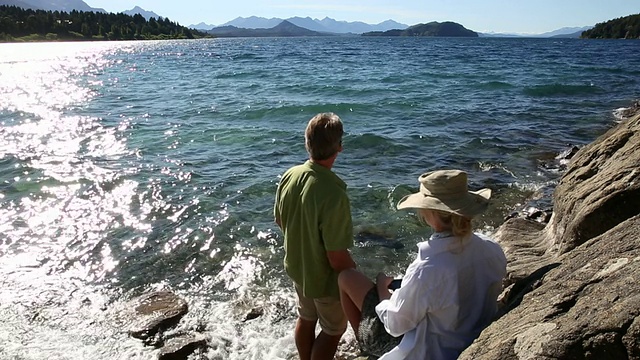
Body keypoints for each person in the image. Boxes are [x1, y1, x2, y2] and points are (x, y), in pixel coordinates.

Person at [338, 169, 507, 360]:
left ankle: (366, 348)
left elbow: (395, 325)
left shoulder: (427, 269)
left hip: (431, 351)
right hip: (469, 338)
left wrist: (382, 291)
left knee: (346, 277)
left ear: (432, 214)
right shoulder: (492, 248)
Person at [274, 112, 357, 360]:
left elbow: (280, 220)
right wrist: (357, 277)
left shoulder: (290, 175)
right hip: (323, 279)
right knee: (333, 330)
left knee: (306, 317)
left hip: (298, 268)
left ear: (306, 142)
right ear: (339, 147)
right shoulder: (334, 193)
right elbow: (336, 258)